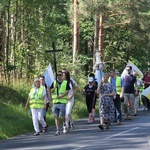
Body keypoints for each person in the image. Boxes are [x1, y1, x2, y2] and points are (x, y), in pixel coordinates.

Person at [51, 71, 70, 135]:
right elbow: (50, 91)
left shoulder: (65, 82)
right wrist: (54, 87)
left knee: (63, 116)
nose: (59, 76)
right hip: (55, 102)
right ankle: (58, 129)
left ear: (62, 76)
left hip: (62, 101)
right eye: (57, 75)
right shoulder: (54, 82)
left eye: (60, 75)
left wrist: (61, 96)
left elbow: (67, 91)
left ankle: (64, 125)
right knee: (56, 116)